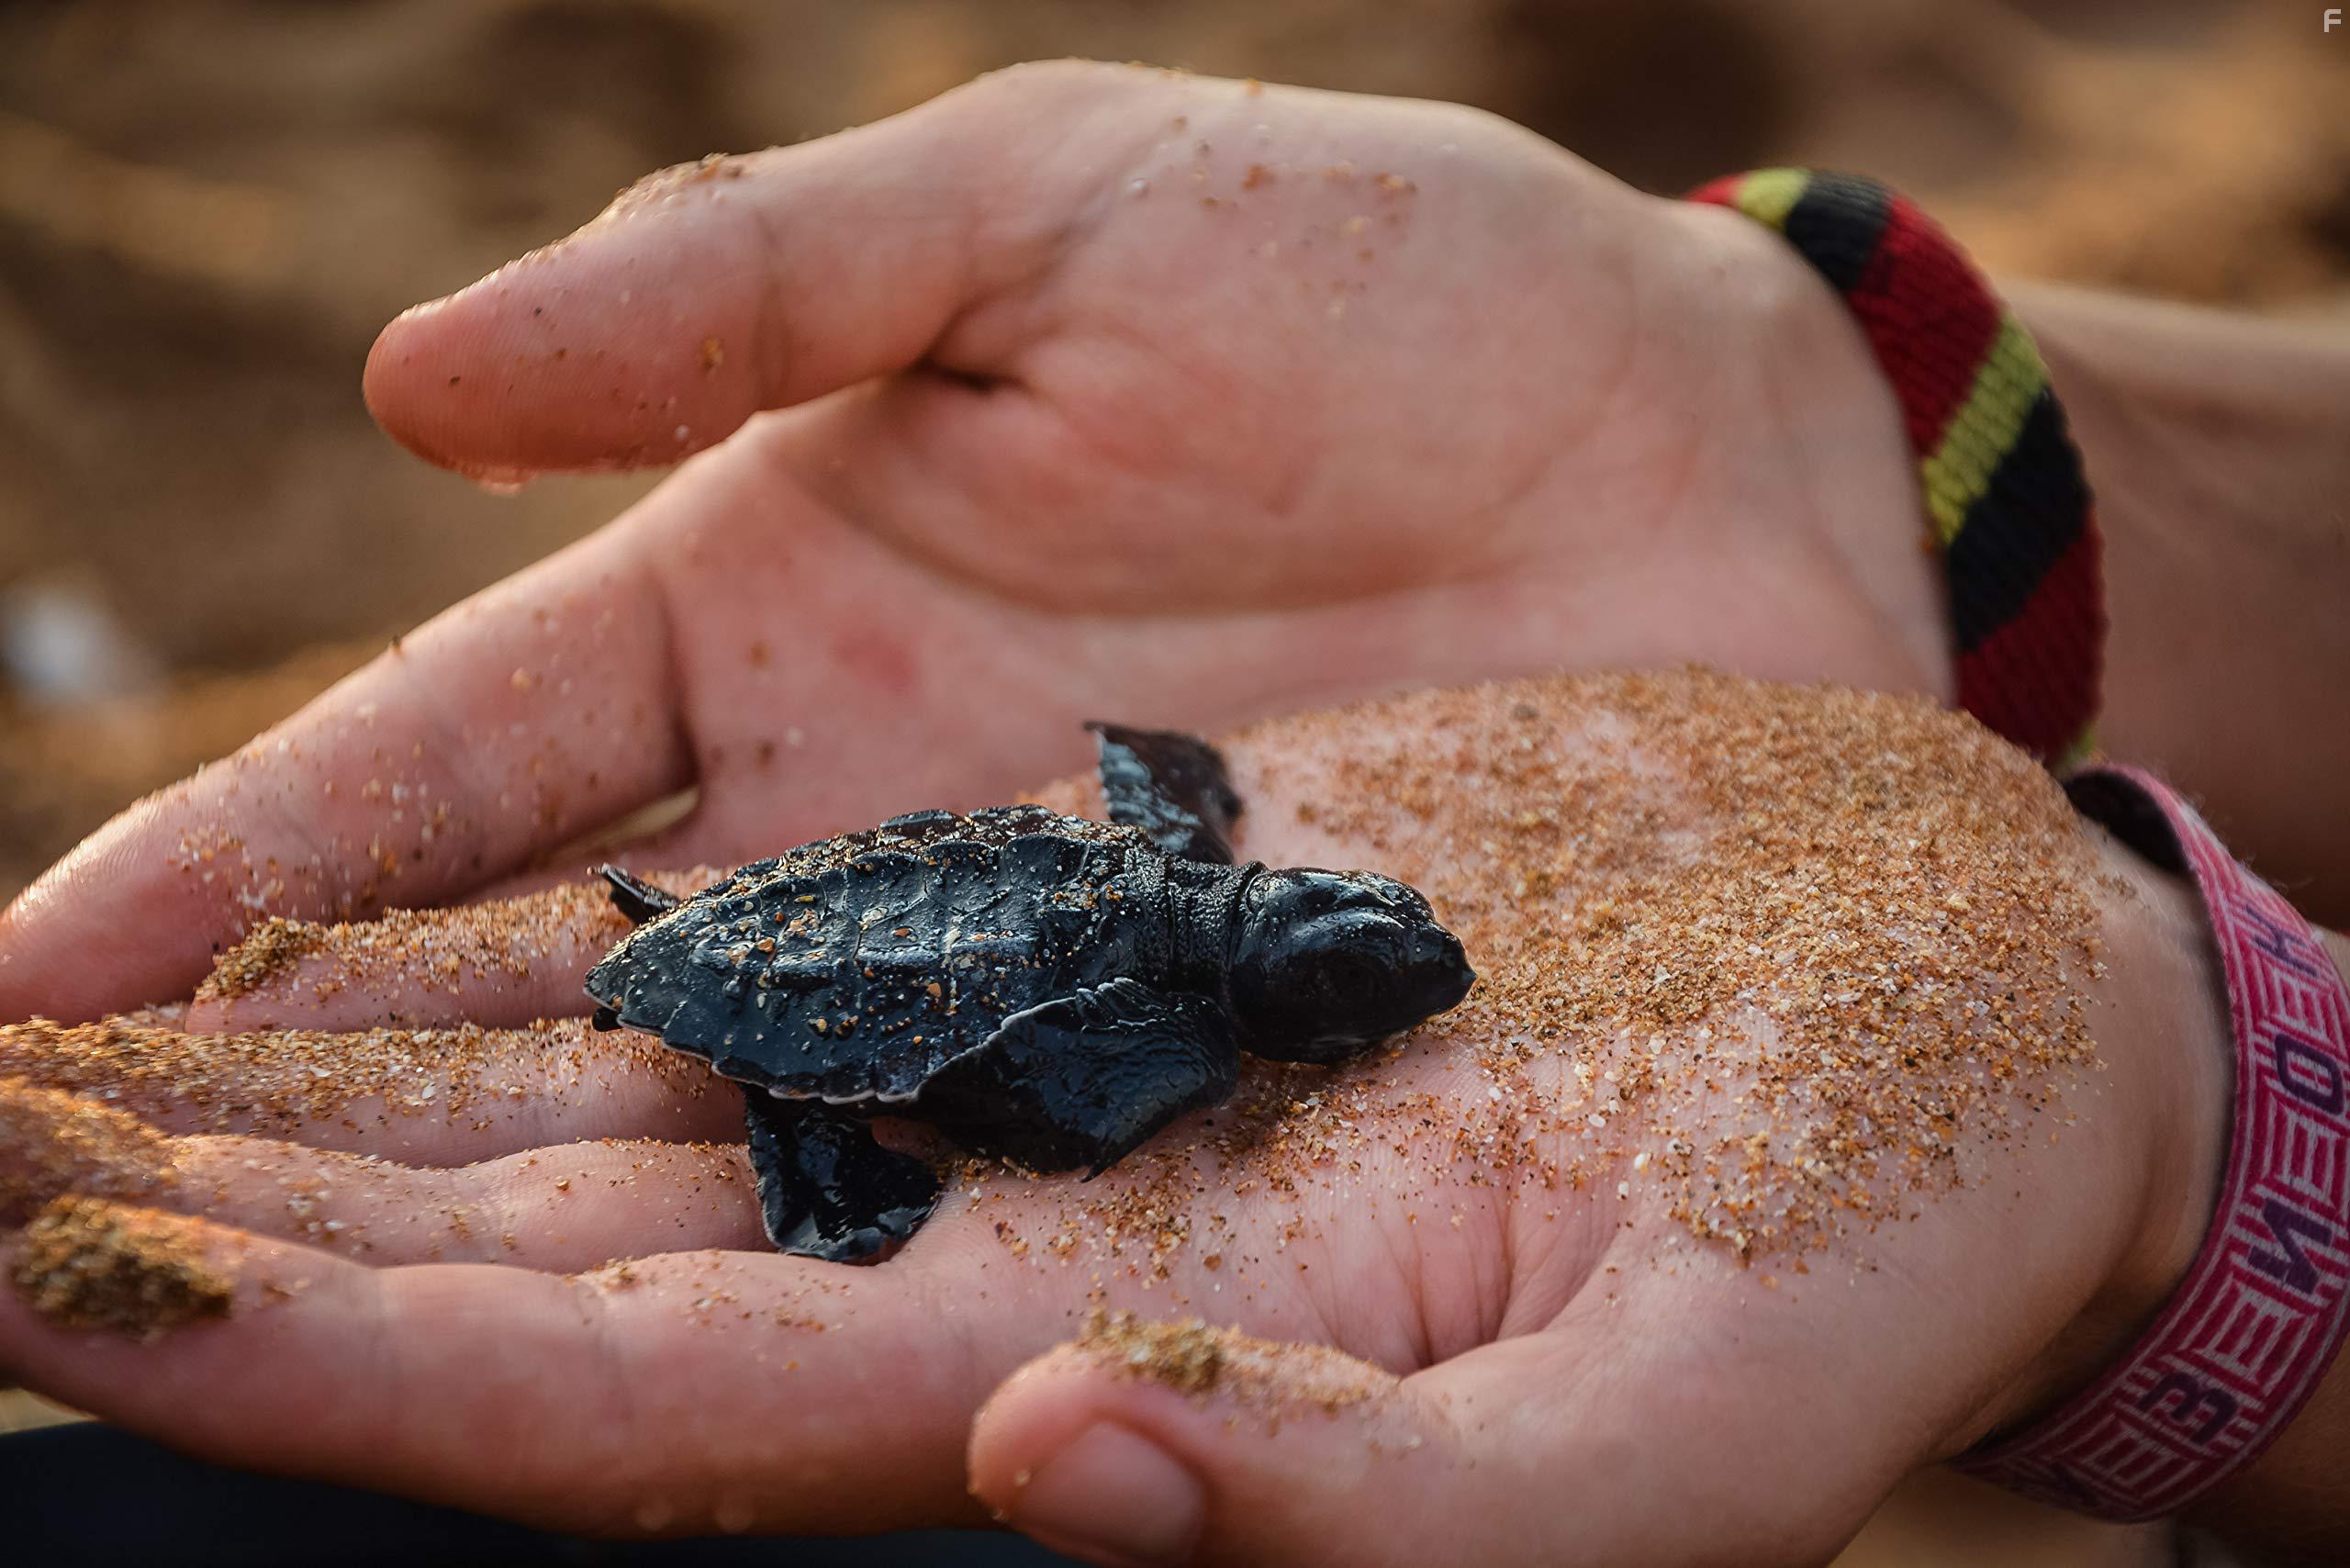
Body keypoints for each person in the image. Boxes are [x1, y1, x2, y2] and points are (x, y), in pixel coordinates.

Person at [0, 62, 2344, 1566]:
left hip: (879, 918)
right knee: (862, 1118)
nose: (1385, 965)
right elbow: (1047, 1080)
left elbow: (1129, 875)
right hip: (774, 981)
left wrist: (2215, 1148)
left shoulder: (1168, 891)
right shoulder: (1160, 1011)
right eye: (1358, 951)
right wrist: (1845, 427)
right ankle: (798, 1154)